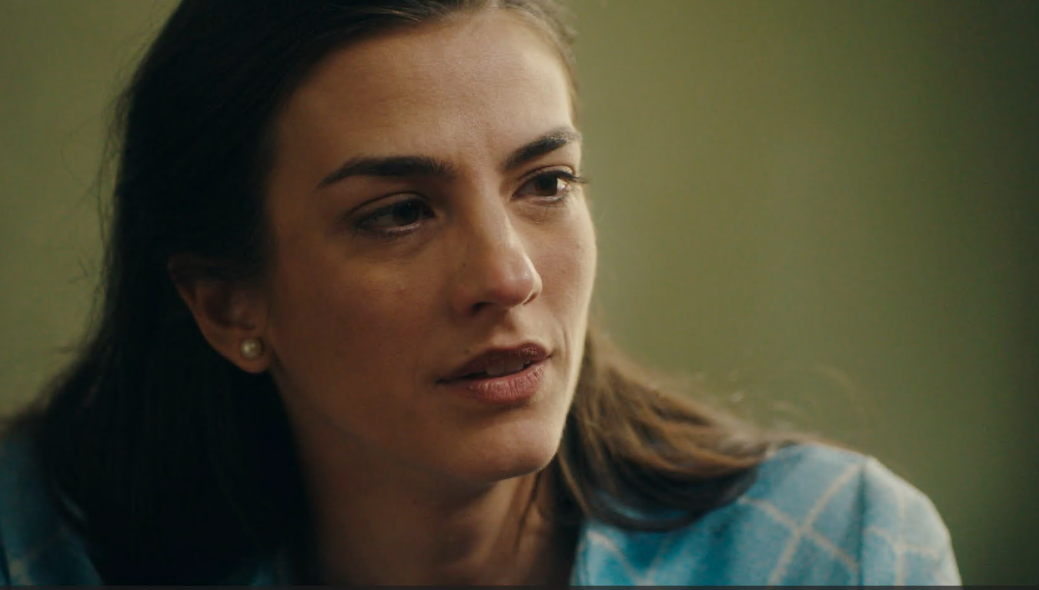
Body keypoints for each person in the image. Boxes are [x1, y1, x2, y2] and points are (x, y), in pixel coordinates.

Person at [0, 0, 960, 584]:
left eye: (546, 183)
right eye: (398, 213)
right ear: (226, 304)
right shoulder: (37, 549)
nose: (509, 276)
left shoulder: (833, 554)